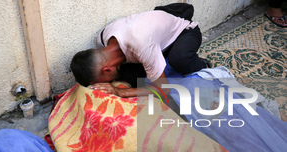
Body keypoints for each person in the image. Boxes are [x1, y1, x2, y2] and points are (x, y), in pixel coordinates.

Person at [70, 10, 210, 98]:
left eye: (104, 81)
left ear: (107, 69)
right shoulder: (102, 39)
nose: (107, 84)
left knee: (180, 60)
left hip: (183, 31)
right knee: (129, 79)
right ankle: (159, 60)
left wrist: (121, 92)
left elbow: (163, 91)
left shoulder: (141, 46)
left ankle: (202, 64)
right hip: (153, 42)